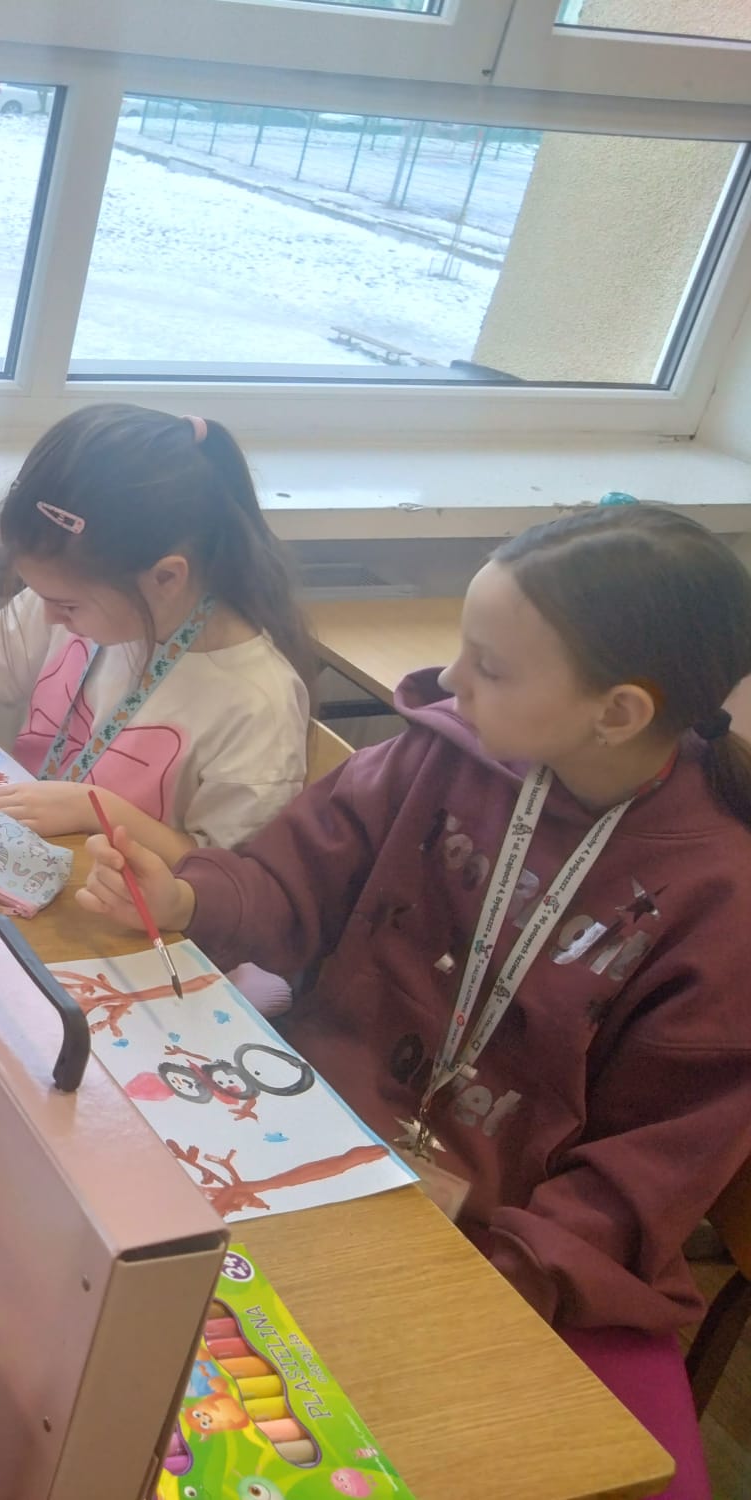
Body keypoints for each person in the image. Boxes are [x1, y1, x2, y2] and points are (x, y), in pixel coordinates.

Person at [80, 505, 751, 1498]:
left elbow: (644, 1173)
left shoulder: (721, 900)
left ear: (615, 713)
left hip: (506, 1241)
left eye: (490, 666)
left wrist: (489, 1271)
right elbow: (292, 879)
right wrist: (186, 899)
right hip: (311, 1139)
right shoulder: (440, 753)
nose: (450, 680)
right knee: (108, 1336)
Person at [0, 402, 315, 862]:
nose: (47, 618)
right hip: (37, 865)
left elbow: (232, 879)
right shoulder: (91, 599)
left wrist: (98, 811)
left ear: (166, 578)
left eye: (65, 605)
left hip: (128, 908)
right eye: (40, 596)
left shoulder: (257, 705)